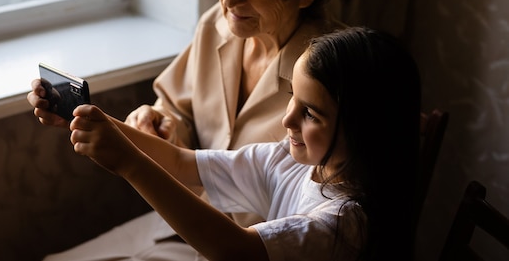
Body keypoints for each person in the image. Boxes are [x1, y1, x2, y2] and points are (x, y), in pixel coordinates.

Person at [28, 0, 343, 260]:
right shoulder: (217, 27)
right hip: (176, 219)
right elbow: (175, 110)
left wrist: (128, 151)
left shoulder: (330, 78)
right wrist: (158, 120)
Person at [67, 26, 422, 261]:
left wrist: (130, 163)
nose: (287, 120)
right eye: (291, 97)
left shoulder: (345, 224)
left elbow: (235, 249)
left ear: (364, 129)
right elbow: (181, 163)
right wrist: (87, 117)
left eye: (311, 113)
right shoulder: (291, 161)